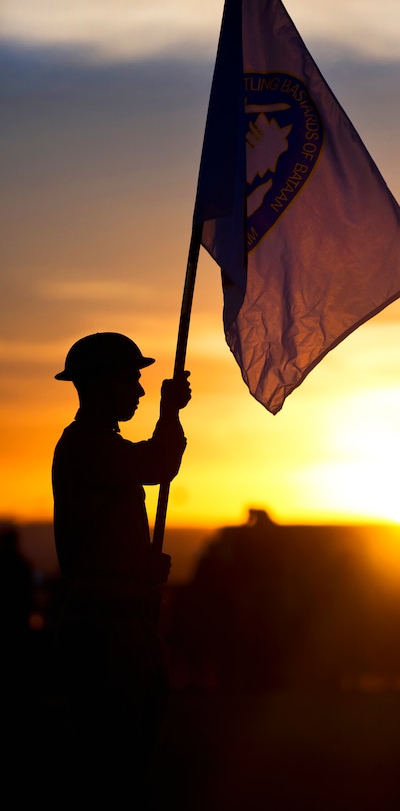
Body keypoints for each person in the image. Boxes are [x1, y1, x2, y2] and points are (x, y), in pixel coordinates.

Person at [51, 332, 191, 808]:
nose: (139, 390)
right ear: (101, 384)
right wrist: (170, 412)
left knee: (128, 760)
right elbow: (157, 463)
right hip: (107, 631)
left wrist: (139, 567)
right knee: (113, 768)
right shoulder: (88, 448)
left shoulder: (99, 448)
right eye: (131, 379)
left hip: (125, 621)